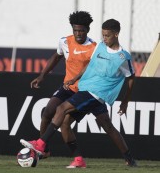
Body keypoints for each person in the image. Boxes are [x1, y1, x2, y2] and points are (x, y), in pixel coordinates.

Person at [21, 19, 137, 167]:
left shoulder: (123, 57)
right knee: (82, 124)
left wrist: (125, 101)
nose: (104, 38)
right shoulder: (100, 46)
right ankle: (123, 159)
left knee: (62, 109)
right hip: (87, 88)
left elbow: (131, 78)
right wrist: (75, 78)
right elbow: (90, 64)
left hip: (96, 94)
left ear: (116, 34)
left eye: (107, 35)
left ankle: (41, 143)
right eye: (103, 35)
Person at [30, 11, 96, 168]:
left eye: (81, 30)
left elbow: (91, 69)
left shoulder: (94, 47)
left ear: (87, 30)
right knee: (47, 112)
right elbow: (56, 57)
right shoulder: (64, 42)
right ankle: (43, 149)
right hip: (67, 87)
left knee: (65, 123)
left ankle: (77, 158)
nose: (78, 34)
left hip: (84, 92)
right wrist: (41, 76)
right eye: (75, 30)